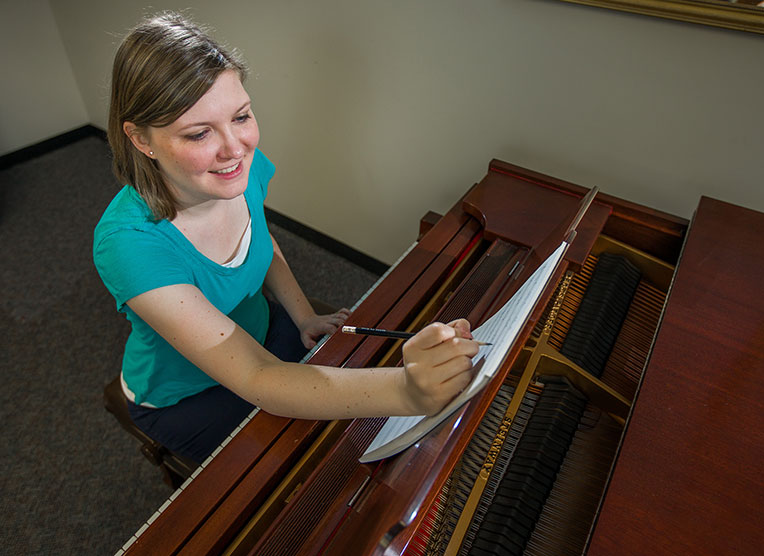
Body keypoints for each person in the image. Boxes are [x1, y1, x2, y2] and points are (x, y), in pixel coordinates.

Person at [94, 12, 478, 465]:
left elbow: (261, 242)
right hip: (187, 395)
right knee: (299, 472)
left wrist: (301, 314)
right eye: (198, 133)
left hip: (263, 331)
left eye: (241, 116)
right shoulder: (129, 243)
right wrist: (408, 391)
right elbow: (257, 376)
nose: (234, 148)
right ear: (141, 139)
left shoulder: (242, 168)